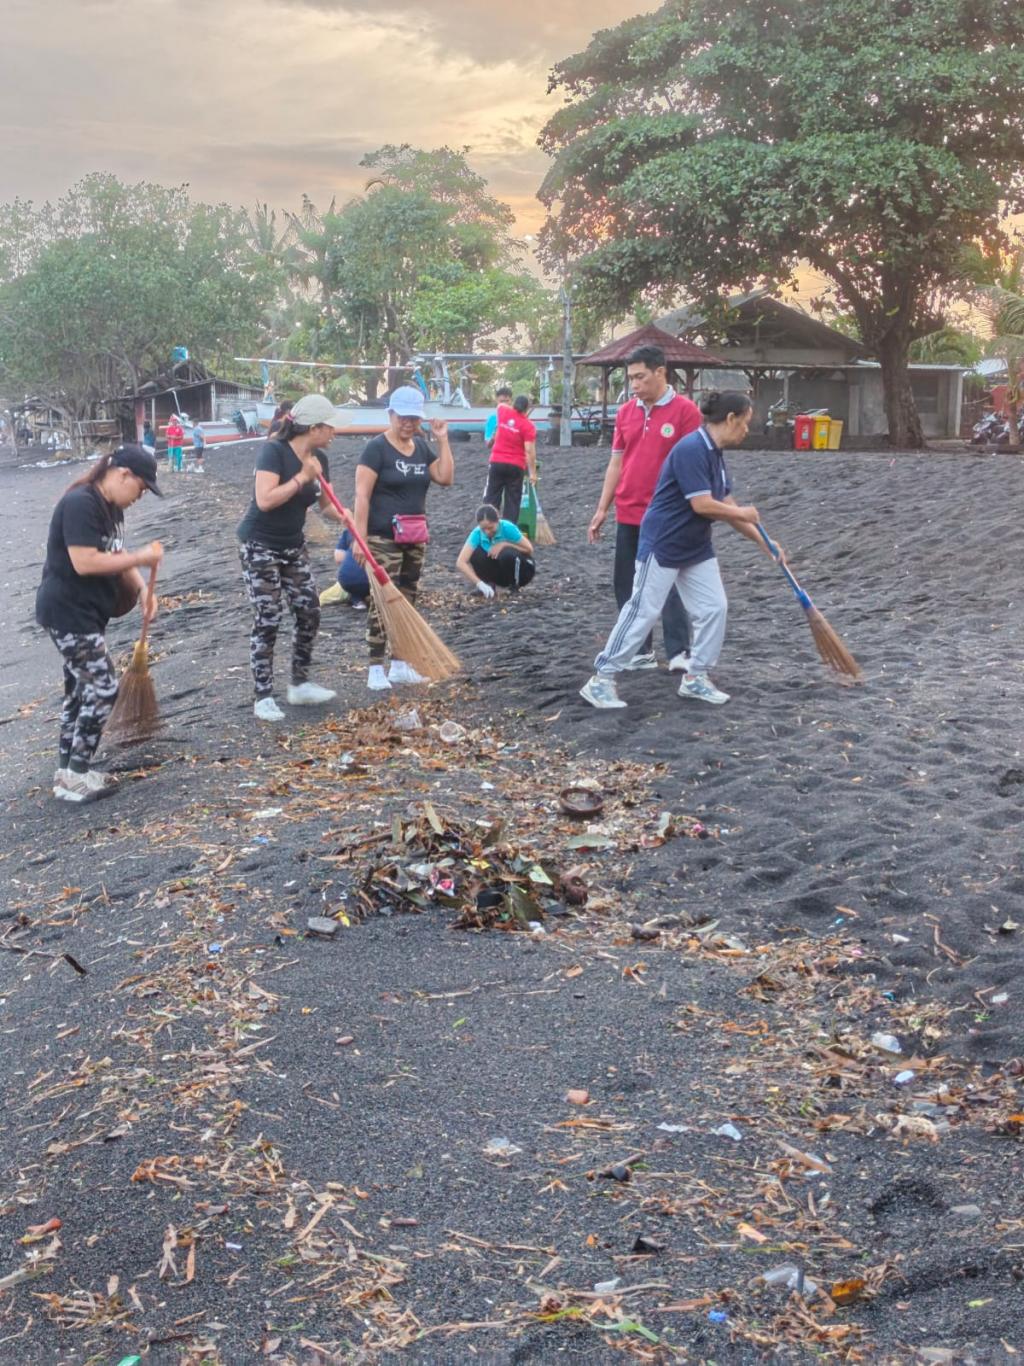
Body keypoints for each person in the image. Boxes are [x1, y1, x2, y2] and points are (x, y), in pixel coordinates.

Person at [580, 391, 783, 710]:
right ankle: (601, 680)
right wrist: (742, 513)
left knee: (714, 607)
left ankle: (695, 677)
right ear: (730, 418)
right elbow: (702, 504)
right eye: (745, 422)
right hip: (663, 541)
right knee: (643, 610)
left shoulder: (715, 454)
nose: (747, 429)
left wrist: (763, 541)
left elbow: (725, 502)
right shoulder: (692, 448)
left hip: (695, 545)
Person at [35, 445, 164, 803]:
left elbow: (116, 554)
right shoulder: (81, 502)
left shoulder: (111, 508)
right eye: (141, 488)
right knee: (103, 687)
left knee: (79, 691)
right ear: (123, 474)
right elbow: (86, 562)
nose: (140, 496)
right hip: (67, 611)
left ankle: (67, 771)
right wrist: (142, 556)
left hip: (88, 612)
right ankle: (77, 774)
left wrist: (142, 590)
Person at [588, 345, 701, 672]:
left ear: (660, 372)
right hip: (629, 510)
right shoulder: (626, 412)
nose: (634, 384)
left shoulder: (686, 412)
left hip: (668, 514)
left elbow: (693, 464)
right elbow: (616, 462)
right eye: (631, 378)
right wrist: (602, 508)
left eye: (640, 377)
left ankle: (679, 652)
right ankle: (640, 650)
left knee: (668, 582)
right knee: (626, 582)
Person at [236, 393, 342, 722]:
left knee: (309, 609)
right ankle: (263, 696)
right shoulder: (274, 452)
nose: (334, 432)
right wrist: (301, 478)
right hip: (259, 545)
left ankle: (299, 684)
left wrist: (347, 516)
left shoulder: (319, 459)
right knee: (268, 617)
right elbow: (265, 500)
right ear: (313, 428)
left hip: (293, 545)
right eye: (330, 427)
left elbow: (326, 505)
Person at [352, 385, 454, 691]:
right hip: (382, 537)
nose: (408, 423)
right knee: (383, 600)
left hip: (415, 535)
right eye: (403, 418)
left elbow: (445, 478)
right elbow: (361, 495)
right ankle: (375, 667)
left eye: (414, 418)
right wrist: (360, 538)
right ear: (391, 415)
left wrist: (443, 439)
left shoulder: (421, 448)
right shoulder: (376, 449)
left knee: (408, 599)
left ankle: (399, 664)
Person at [456, 504, 535, 598]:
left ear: (498, 521)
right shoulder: (477, 533)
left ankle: (514, 587)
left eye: (490, 527)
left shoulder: (507, 527)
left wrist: (504, 544)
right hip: (501, 574)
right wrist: (479, 583)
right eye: (483, 529)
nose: (487, 532)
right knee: (476, 553)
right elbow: (461, 562)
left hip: (523, 571)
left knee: (506, 553)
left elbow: (529, 549)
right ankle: (488, 585)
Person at [484, 395, 537, 524]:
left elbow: (500, 404)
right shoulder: (528, 426)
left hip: (497, 462)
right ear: (527, 409)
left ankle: (488, 526)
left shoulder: (503, 412)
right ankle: (509, 528)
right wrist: (533, 473)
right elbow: (529, 450)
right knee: (512, 500)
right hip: (515, 465)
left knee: (492, 496)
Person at [320, 529, 370, 610]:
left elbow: (338, 558)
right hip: (382, 580)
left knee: (322, 598)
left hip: (351, 581)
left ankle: (357, 599)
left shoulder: (350, 530)